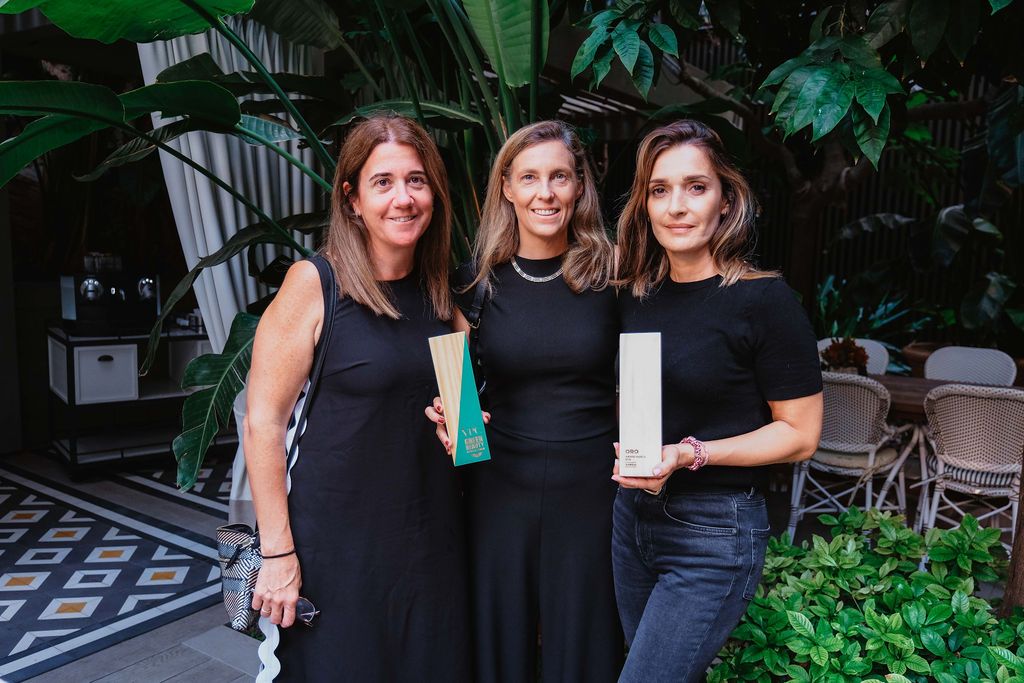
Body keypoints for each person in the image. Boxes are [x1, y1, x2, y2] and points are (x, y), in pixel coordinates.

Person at [244, 115, 470, 682]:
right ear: (352, 199)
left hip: (429, 547)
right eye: (383, 182)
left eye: (417, 181)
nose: (403, 198)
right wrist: (277, 554)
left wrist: (464, 428)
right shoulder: (315, 284)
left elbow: (466, 429)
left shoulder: (444, 293)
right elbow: (263, 422)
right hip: (333, 551)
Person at [612, 119, 824, 682]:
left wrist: (690, 453)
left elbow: (800, 435)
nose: (677, 207)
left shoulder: (764, 300)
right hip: (632, 519)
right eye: (660, 190)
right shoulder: (635, 295)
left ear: (726, 200)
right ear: (645, 205)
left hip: (713, 530)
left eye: (696, 187)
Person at [428, 120, 623, 682]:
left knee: (587, 646)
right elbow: (459, 395)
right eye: (530, 177)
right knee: (497, 642)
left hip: (592, 489)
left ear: (579, 186)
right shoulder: (473, 283)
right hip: (498, 488)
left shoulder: (614, 273)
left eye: (560, 176)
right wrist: (449, 419)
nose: (546, 193)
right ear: (507, 187)